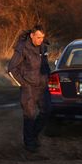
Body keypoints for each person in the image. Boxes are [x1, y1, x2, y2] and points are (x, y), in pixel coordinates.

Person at [7, 24, 50, 153]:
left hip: (42, 86)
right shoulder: (22, 48)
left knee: (47, 111)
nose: (40, 40)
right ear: (32, 36)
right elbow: (11, 69)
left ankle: (33, 136)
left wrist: (48, 75)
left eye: (42, 37)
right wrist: (23, 84)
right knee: (29, 115)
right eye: (38, 37)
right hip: (28, 87)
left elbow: (45, 65)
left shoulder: (43, 47)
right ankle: (29, 144)